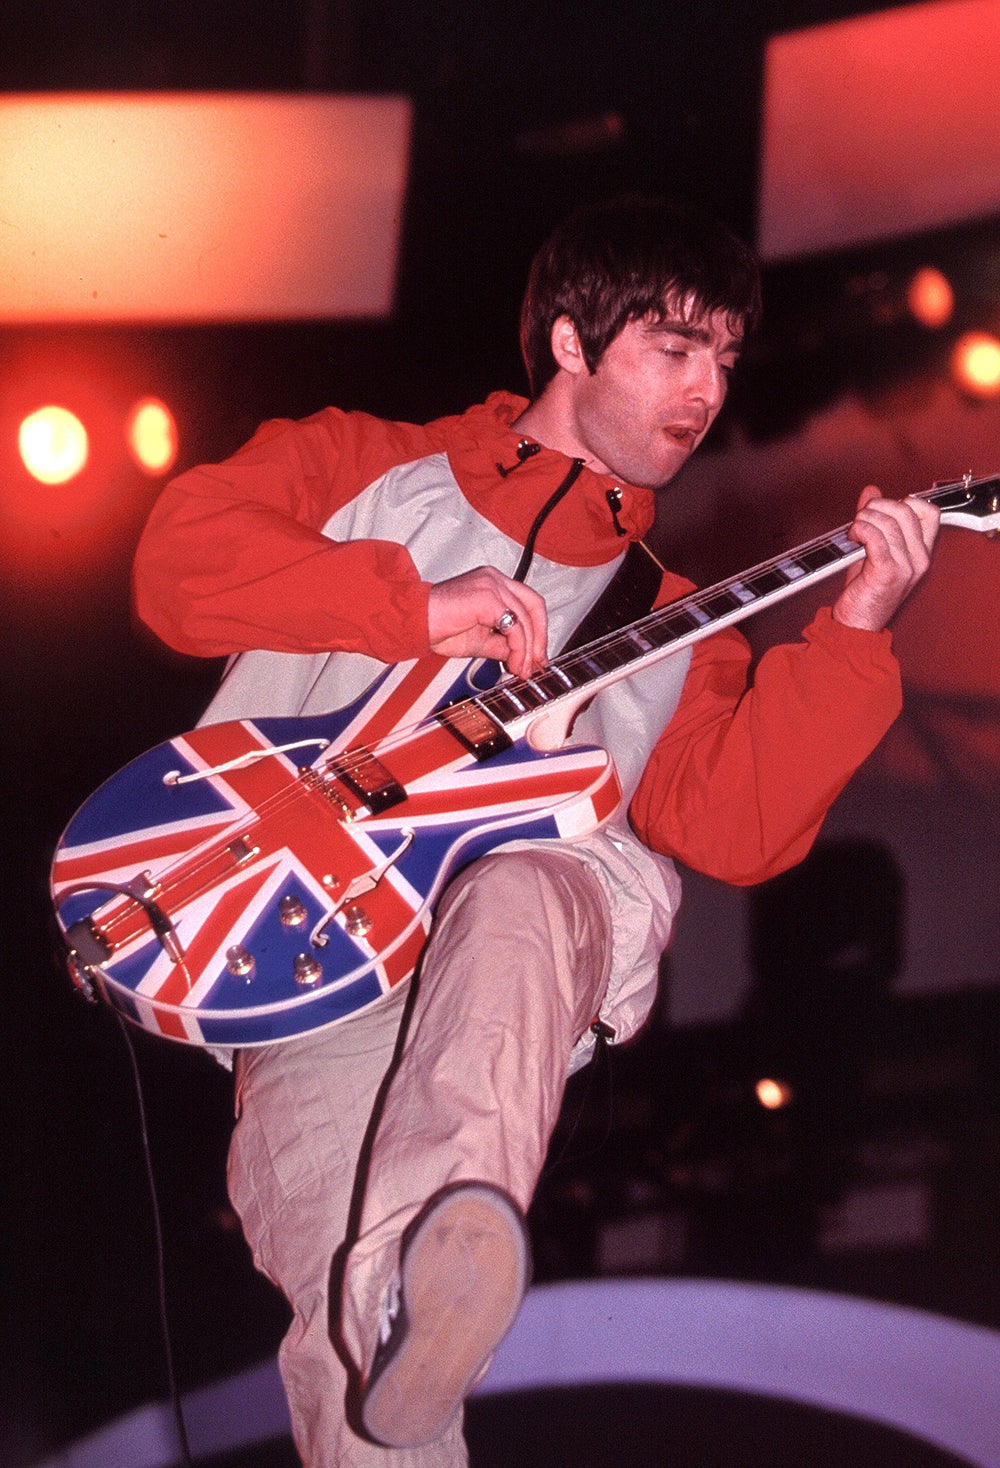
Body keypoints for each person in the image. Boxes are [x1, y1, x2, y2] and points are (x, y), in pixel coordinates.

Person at [133, 195, 939, 1465]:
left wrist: (855, 628)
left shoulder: (685, 619)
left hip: (525, 935)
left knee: (531, 872)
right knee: (363, 1381)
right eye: (676, 349)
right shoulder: (365, 463)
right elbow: (179, 565)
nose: (707, 390)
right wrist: (413, 604)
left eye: (726, 359)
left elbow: (732, 827)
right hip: (303, 961)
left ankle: (415, 1263)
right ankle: (397, 1300)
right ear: (570, 342)